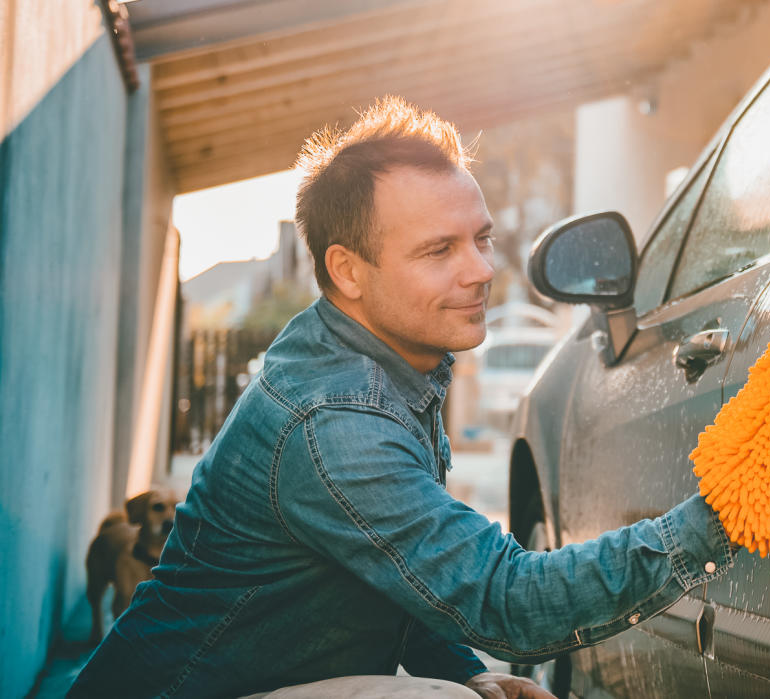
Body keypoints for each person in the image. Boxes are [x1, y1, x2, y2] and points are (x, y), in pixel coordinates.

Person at [69, 97, 735, 698]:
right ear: (347, 270)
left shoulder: (379, 367)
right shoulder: (336, 419)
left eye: (481, 239)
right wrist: (729, 512)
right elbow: (509, 602)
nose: (480, 271)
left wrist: (467, 670)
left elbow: (387, 577)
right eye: (438, 249)